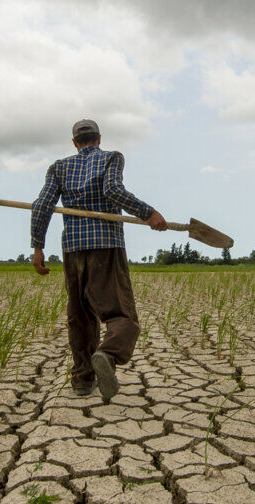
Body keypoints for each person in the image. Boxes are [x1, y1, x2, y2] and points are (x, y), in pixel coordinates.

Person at [30, 119, 167, 401]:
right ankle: (107, 354)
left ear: (74, 142)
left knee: (79, 315)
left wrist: (38, 247)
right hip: (106, 246)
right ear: (99, 138)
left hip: (72, 249)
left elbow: (42, 204)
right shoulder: (111, 158)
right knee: (121, 314)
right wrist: (148, 212)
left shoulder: (59, 167)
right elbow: (112, 191)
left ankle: (82, 379)